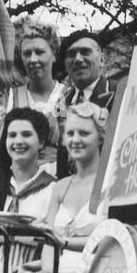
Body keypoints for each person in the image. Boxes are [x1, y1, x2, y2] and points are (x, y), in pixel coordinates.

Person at [11, 100, 112, 273]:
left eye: (84, 133)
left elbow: (109, 238)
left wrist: (64, 242)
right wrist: (45, 270)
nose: (75, 139)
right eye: (70, 133)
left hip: (94, 270)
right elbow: (48, 240)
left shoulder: (111, 183)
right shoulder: (61, 187)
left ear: (100, 137)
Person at [0, 107, 57, 269]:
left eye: (26, 134)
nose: (18, 141)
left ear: (41, 142)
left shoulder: (52, 189)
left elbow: (52, 249)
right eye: (12, 135)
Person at [55, 29, 116, 176]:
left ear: (102, 59)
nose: (77, 59)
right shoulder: (62, 102)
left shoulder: (119, 93)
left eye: (85, 52)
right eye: (71, 54)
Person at [7, 23, 64, 170]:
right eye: (27, 53)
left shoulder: (70, 96)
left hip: (62, 181)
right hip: (19, 183)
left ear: (54, 54)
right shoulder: (11, 98)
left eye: (39, 52)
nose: (33, 59)